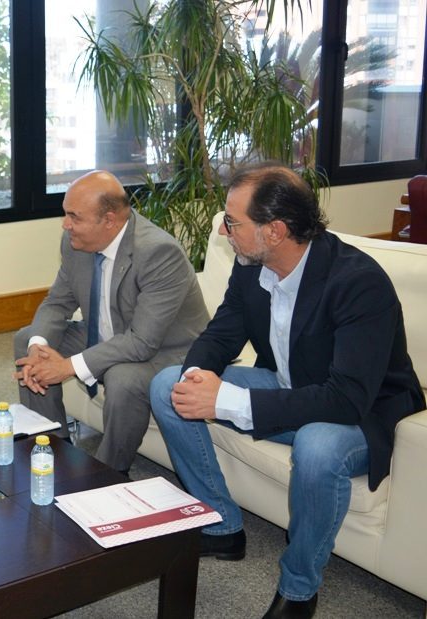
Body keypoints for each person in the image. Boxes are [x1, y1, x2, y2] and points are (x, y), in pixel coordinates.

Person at [149, 164, 424, 619]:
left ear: (274, 230)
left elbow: (346, 398)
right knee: (168, 386)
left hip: (362, 413)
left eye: (233, 221)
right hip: (289, 387)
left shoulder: (358, 282)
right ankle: (222, 525)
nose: (223, 228)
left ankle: (299, 589)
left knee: (317, 446)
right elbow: (222, 335)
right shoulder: (252, 265)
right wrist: (197, 376)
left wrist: (229, 401)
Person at [13, 170, 208, 474]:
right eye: (66, 215)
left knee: (123, 377)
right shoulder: (74, 243)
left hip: (168, 351)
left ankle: (109, 473)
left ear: (110, 220)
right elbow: (57, 303)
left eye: (74, 217)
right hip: (109, 336)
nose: (66, 225)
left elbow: (141, 342)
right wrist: (39, 347)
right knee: (28, 339)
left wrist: (67, 366)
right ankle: (52, 445)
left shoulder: (158, 252)